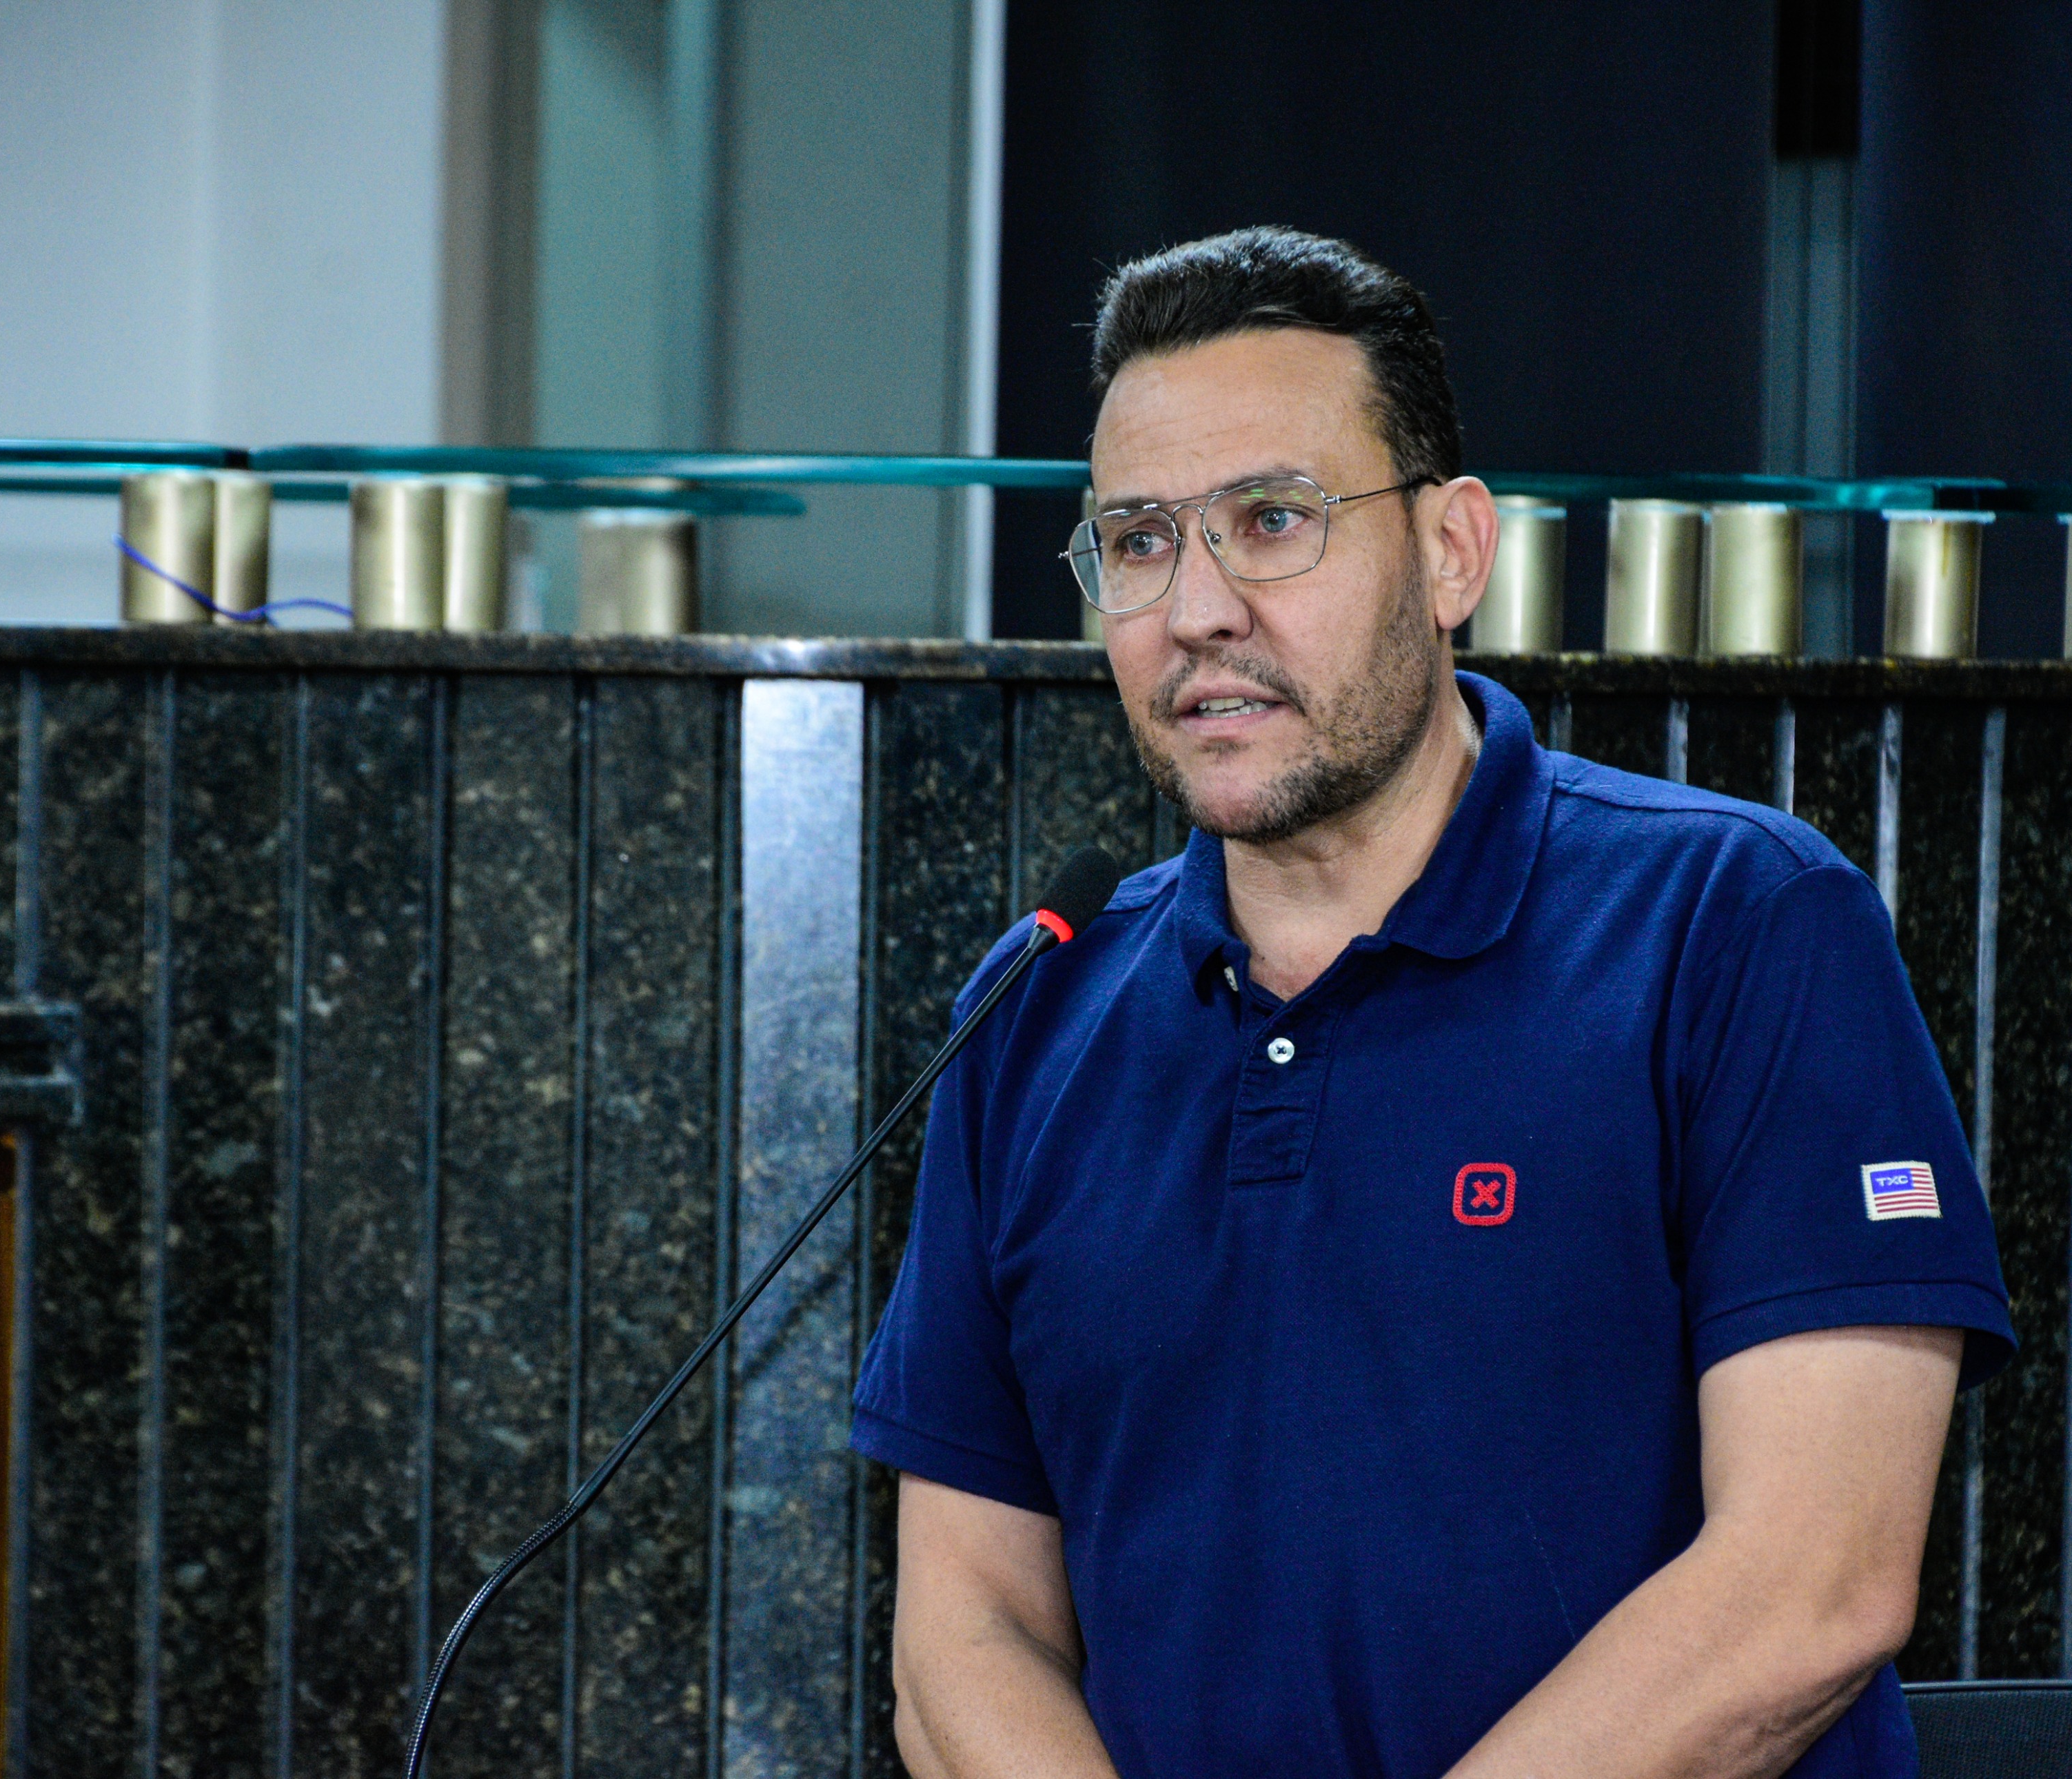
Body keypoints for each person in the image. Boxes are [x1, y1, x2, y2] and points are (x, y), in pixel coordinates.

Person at [851, 226, 2013, 1779]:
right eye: (1136, 541)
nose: (1196, 608)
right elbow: (962, 1638)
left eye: (1272, 520)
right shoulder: (1039, 1007)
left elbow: (1812, 1583)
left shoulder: (1738, 924)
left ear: (1454, 550)